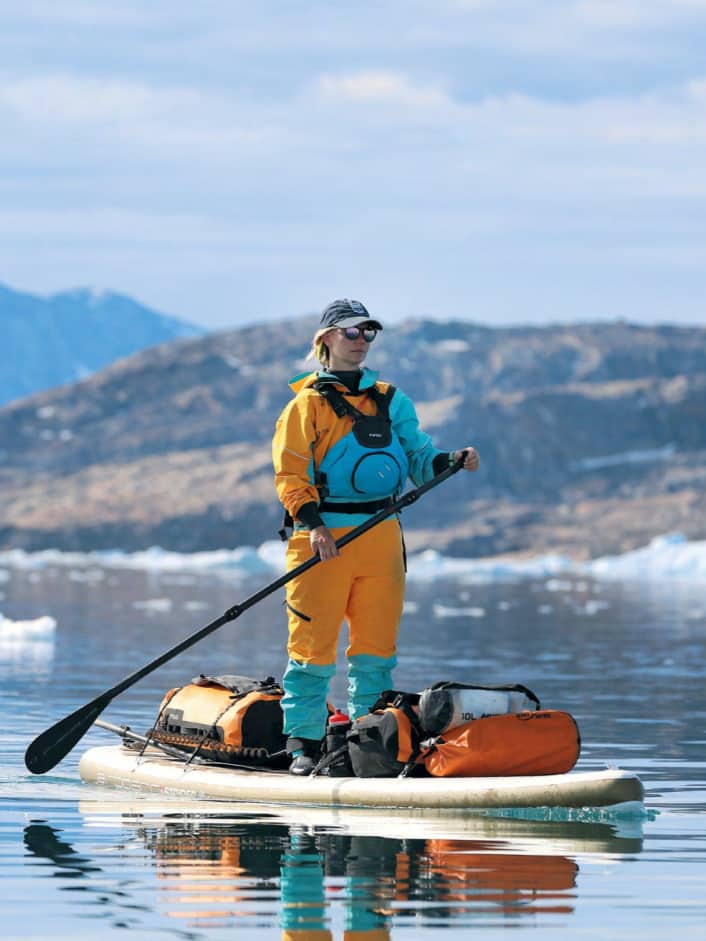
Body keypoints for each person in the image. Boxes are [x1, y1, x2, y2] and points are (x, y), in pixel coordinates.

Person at [272, 299, 480, 774]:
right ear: (326, 339)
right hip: (322, 539)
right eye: (351, 332)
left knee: (375, 652)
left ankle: (367, 743)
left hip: (381, 536)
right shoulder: (305, 405)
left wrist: (451, 460)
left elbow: (420, 459)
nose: (361, 341)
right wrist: (315, 526)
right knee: (312, 650)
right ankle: (302, 744)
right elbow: (290, 476)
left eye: (368, 332)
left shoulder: (391, 400)